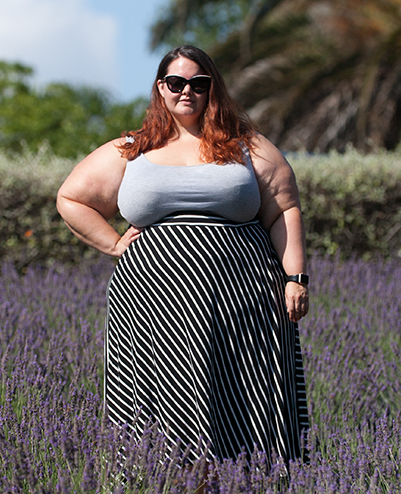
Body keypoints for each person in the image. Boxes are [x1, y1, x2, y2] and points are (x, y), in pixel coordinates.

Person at [56, 45, 309, 464]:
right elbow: (71, 198)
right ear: (161, 88)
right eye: (176, 83)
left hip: (244, 301)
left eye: (198, 82)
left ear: (213, 88)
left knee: (248, 397)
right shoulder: (132, 149)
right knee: (165, 409)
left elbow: (284, 208)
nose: (186, 91)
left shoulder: (247, 146)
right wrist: (114, 243)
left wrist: (295, 278)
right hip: (154, 305)